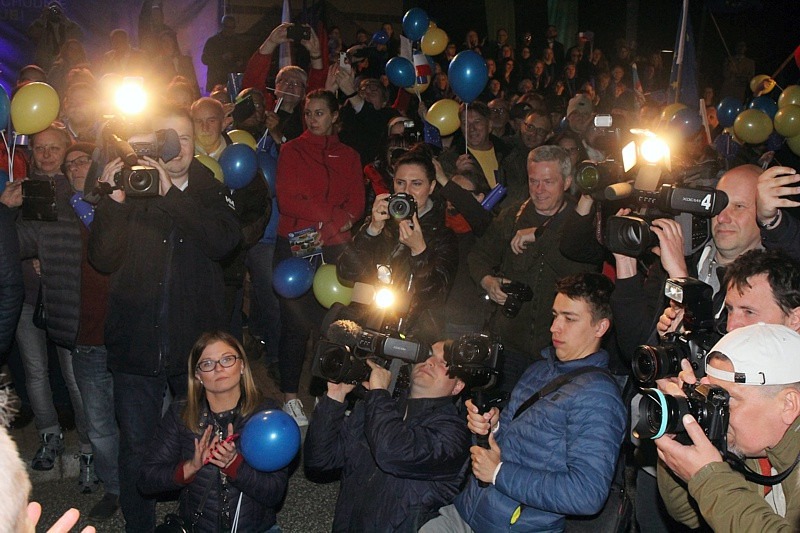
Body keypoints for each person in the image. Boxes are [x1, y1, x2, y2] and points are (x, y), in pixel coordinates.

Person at [88, 102, 240, 532]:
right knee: (136, 447)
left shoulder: (209, 189)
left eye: (184, 138)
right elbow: (101, 257)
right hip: (135, 346)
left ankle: (196, 521)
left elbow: (222, 242)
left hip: (195, 353)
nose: (175, 147)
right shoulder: (133, 187)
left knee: (199, 444)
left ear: (196, 146)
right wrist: (115, 201)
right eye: (165, 138)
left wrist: (168, 194)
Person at [421, 272, 626, 532]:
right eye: (555, 315)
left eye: (569, 318)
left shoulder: (599, 397)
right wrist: (491, 427)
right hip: (469, 509)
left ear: (600, 327)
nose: (554, 327)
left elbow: (587, 494)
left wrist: (499, 473)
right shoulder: (539, 370)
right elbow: (506, 442)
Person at [1, 125, 95, 481]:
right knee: (35, 372)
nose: (47, 155)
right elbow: (13, 241)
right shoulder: (21, 190)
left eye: (54, 148)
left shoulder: (77, 184)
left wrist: (49, 253)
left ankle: (89, 448)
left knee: (75, 379)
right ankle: (49, 435)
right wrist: (7, 212)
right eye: (40, 148)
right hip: (26, 294)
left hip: (65, 296)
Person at [468, 145, 597, 391]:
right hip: (509, 346)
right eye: (533, 181)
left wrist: (539, 236)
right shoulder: (512, 216)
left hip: (558, 351)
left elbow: (581, 273)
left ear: (567, 182)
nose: (539, 190)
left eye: (548, 181)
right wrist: (487, 281)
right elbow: (478, 256)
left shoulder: (580, 223)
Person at [305, 340, 470, 532]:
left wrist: (379, 393)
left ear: (458, 386)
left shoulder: (455, 434)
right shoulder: (380, 406)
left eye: (444, 363)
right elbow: (320, 460)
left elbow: (391, 452)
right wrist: (335, 398)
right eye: (428, 354)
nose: (430, 362)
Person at [274, 89, 363, 425]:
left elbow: (357, 202)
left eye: (320, 113)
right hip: (297, 241)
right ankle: (290, 397)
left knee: (337, 324)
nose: (313, 119)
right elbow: (290, 199)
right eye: (309, 113)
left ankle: (332, 394)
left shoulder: (350, 155)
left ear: (335, 115)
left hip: (336, 244)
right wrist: (333, 219)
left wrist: (333, 226)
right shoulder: (292, 150)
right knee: (295, 323)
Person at [656, 323, 800, 531]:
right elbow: (686, 513)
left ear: (789, 405)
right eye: (710, 395)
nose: (716, 410)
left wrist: (709, 477)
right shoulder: (758, 446)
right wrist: (683, 433)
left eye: (727, 398)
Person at [139, 331, 288, 532]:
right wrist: (190, 467)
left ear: (242, 365)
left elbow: (274, 493)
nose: (219, 369)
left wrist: (235, 465)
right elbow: (146, 480)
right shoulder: (182, 413)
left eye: (227, 359)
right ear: (197, 375)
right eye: (208, 364)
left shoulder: (265, 415)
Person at [337, 150, 458, 344]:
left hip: (410, 334)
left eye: (416, 184)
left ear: (432, 186)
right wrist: (372, 230)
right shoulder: (379, 221)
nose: (406, 191)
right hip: (364, 324)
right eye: (400, 183)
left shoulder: (443, 235)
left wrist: (420, 252)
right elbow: (346, 271)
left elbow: (435, 297)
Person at [190, 97, 271, 339]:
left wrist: (232, 241)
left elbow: (259, 208)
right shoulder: (181, 158)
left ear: (223, 123)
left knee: (225, 332)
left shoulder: (241, 158)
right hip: (190, 262)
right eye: (198, 121)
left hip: (228, 265)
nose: (204, 127)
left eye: (211, 120)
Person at [241, 22, 326, 147]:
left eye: (297, 83)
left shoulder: (307, 115)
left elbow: (318, 85)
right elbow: (252, 81)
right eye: (285, 81)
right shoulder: (266, 107)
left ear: (304, 94)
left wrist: (315, 54)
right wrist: (271, 42)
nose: (290, 85)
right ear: (275, 87)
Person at [27, 1, 83, 71]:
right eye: (52, 10)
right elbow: (31, 34)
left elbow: (79, 35)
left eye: (57, 10)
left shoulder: (68, 26)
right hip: (45, 65)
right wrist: (43, 18)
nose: (54, 12)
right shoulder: (43, 26)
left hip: (66, 65)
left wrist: (65, 20)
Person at [201, 15, 248, 93]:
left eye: (232, 27)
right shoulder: (213, 41)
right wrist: (221, 58)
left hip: (232, 81)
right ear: (222, 26)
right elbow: (204, 59)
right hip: (216, 81)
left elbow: (245, 59)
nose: (229, 30)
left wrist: (241, 63)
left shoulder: (238, 42)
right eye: (227, 27)